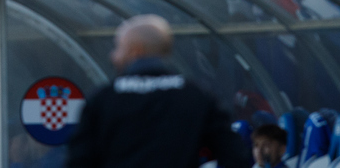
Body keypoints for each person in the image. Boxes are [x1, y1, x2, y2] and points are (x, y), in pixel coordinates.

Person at [65, 14, 249, 168]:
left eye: (118, 48)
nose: (113, 55)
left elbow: (80, 160)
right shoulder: (195, 96)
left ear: (136, 50)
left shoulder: (104, 98)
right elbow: (235, 155)